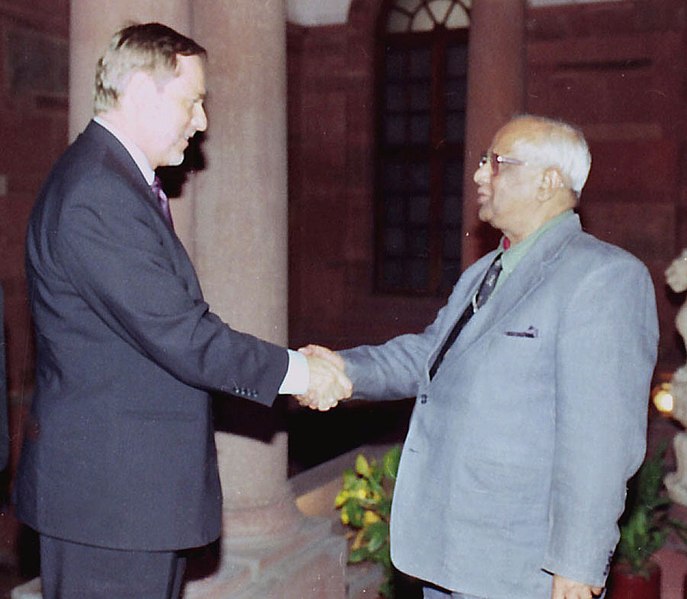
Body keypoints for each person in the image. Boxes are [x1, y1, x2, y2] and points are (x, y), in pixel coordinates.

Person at [15, 22, 350, 599]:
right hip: (111, 509)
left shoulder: (115, 182)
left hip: (130, 502)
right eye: (193, 101)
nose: (202, 122)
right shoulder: (97, 194)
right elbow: (183, 336)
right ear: (142, 92)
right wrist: (301, 372)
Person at [304, 115, 659, 599]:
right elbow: (433, 354)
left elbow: (601, 440)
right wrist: (343, 370)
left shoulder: (602, 277)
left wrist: (578, 564)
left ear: (549, 181)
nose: (478, 175)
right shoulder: (485, 271)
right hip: (452, 555)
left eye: (497, 163)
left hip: (520, 568)